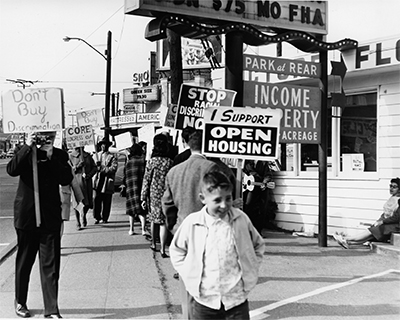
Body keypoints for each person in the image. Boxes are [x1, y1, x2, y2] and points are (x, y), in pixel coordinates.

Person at [169, 169, 265, 320]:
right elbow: (177, 250)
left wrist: (251, 267)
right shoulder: (193, 223)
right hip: (205, 300)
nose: (224, 205)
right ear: (203, 198)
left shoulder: (241, 219)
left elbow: (258, 245)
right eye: (217, 200)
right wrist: (187, 273)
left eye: (228, 198)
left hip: (236, 300)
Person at [7, 131, 73, 319]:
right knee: (25, 262)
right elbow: (12, 169)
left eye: (48, 135)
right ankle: (20, 301)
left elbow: (66, 178)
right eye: (41, 135)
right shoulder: (23, 150)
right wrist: (28, 146)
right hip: (27, 217)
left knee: (50, 266)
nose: (44, 138)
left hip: (49, 217)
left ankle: (51, 309)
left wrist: (51, 157)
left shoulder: (59, 154)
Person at [162, 129, 219, 319]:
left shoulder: (174, 171)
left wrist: (175, 227)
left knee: (186, 285)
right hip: (208, 234)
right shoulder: (212, 168)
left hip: (182, 234)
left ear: (188, 144)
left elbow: (167, 205)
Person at [334, 178, 400, 248]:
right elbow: (385, 213)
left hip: (394, 225)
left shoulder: (399, 200)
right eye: (390, 186)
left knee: (372, 231)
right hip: (387, 222)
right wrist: (379, 221)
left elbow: (396, 217)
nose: (391, 188)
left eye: (394, 187)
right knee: (372, 231)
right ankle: (348, 243)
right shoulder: (392, 198)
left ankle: (346, 238)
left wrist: (382, 222)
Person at [141, 134, 173, 257]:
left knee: (154, 220)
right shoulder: (169, 162)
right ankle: (163, 249)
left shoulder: (151, 162)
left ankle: (154, 243)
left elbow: (146, 180)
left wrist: (143, 197)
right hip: (166, 194)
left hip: (153, 194)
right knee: (163, 222)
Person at [121, 143, 150, 237]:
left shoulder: (129, 163)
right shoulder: (143, 162)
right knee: (142, 209)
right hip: (141, 187)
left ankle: (131, 229)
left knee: (131, 210)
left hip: (130, 188)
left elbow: (125, 176)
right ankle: (144, 229)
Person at [242, 159, 277, 233]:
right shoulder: (247, 161)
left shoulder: (264, 162)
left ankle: (258, 231)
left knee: (262, 209)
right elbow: (244, 170)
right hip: (250, 188)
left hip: (261, 188)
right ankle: (248, 229)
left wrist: (265, 182)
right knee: (248, 207)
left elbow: (268, 174)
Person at [69, 146, 97, 230]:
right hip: (76, 182)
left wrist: (89, 175)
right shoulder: (70, 156)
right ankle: (78, 222)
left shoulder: (87, 156)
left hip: (86, 182)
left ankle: (83, 214)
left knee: (87, 202)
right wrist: (77, 166)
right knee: (77, 202)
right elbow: (68, 170)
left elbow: (94, 167)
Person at [93, 139, 118, 224]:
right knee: (97, 200)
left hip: (107, 181)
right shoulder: (96, 156)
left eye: (105, 145)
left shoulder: (112, 156)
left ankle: (105, 217)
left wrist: (103, 169)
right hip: (98, 181)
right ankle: (97, 217)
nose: (103, 146)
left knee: (107, 201)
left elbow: (113, 168)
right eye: (102, 145)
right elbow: (93, 168)